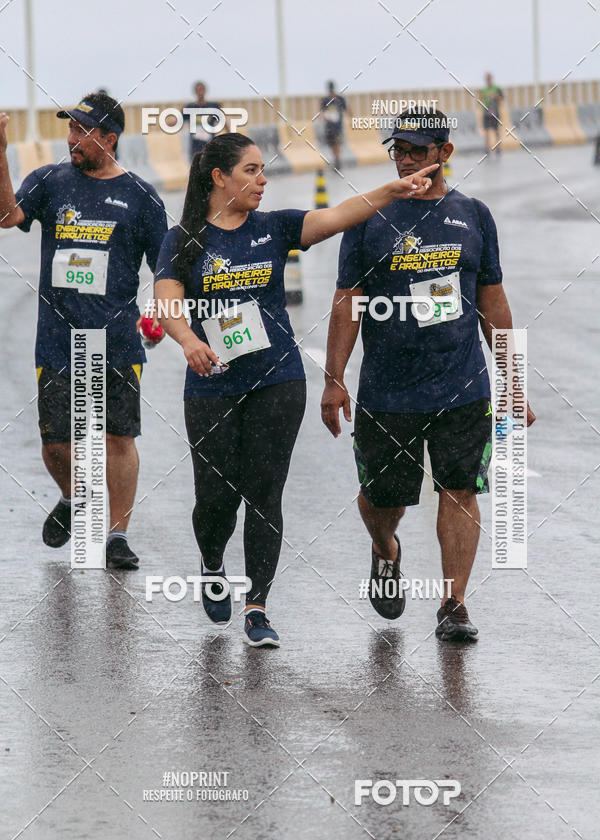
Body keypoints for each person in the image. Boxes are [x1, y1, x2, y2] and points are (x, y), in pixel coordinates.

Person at [154, 132, 436, 648]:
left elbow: (340, 215)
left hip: (277, 381)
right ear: (219, 178)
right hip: (212, 386)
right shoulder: (183, 241)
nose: (262, 180)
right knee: (215, 500)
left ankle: (258, 606)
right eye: (251, 171)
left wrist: (391, 191)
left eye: (264, 171)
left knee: (264, 494)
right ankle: (213, 562)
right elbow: (167, 298)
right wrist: (189, 339)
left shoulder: (275, 227)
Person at [321, 108, 535, 641]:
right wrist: (333, 379)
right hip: (388, 389)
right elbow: (348, 302)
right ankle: (385, 546)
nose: (408, 160)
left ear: (445, 153)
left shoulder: (474, 215)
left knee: (461, 489)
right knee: (383, 499)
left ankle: (454, 602)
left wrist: (512, 379)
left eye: (419, 150)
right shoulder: (370, 217)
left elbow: (493, 302)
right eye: (400, 151)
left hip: (462, 384)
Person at [0, 92, 167, 568]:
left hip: (114, 339)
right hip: (56, 337)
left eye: (82, 131)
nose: (72, 139)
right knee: (55, 443)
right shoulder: (51, 182)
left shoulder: (139, 196)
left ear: (109, 139)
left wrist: (161, 315)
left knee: (119, 438)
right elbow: (6, 216)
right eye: (70, 129)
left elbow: (165, 267)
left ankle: (116, 536)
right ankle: (75, 497)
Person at [183, 81, 223, 161]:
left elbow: (224, 121)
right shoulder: (190, 107)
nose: (200, 92)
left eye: (201, 89)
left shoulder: (213, 106)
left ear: (205, 90)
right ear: (195, 92)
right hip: (195, 146)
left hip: (209, 145)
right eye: (198, 90)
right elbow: (178, 121)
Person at [320, 81, 348, 170]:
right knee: (333, 144)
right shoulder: (326, 100)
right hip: (330, 126)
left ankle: (337, 159)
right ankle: (336, 158)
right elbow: (322, 112)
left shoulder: (338, 99)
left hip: (336, 126)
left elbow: (346, 109)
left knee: (336, 143)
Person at [481, 73, 504, 155]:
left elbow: (501, 98)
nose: (488, 80)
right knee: (486, 131)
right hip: (486, 112)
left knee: (496, 130)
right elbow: (480, 99)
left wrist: (495, 96)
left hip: (495, 112)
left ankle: (498, 148)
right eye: (487, 79)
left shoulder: (496, 88)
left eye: (489, 79)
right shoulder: (484, 90)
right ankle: (487, 149)